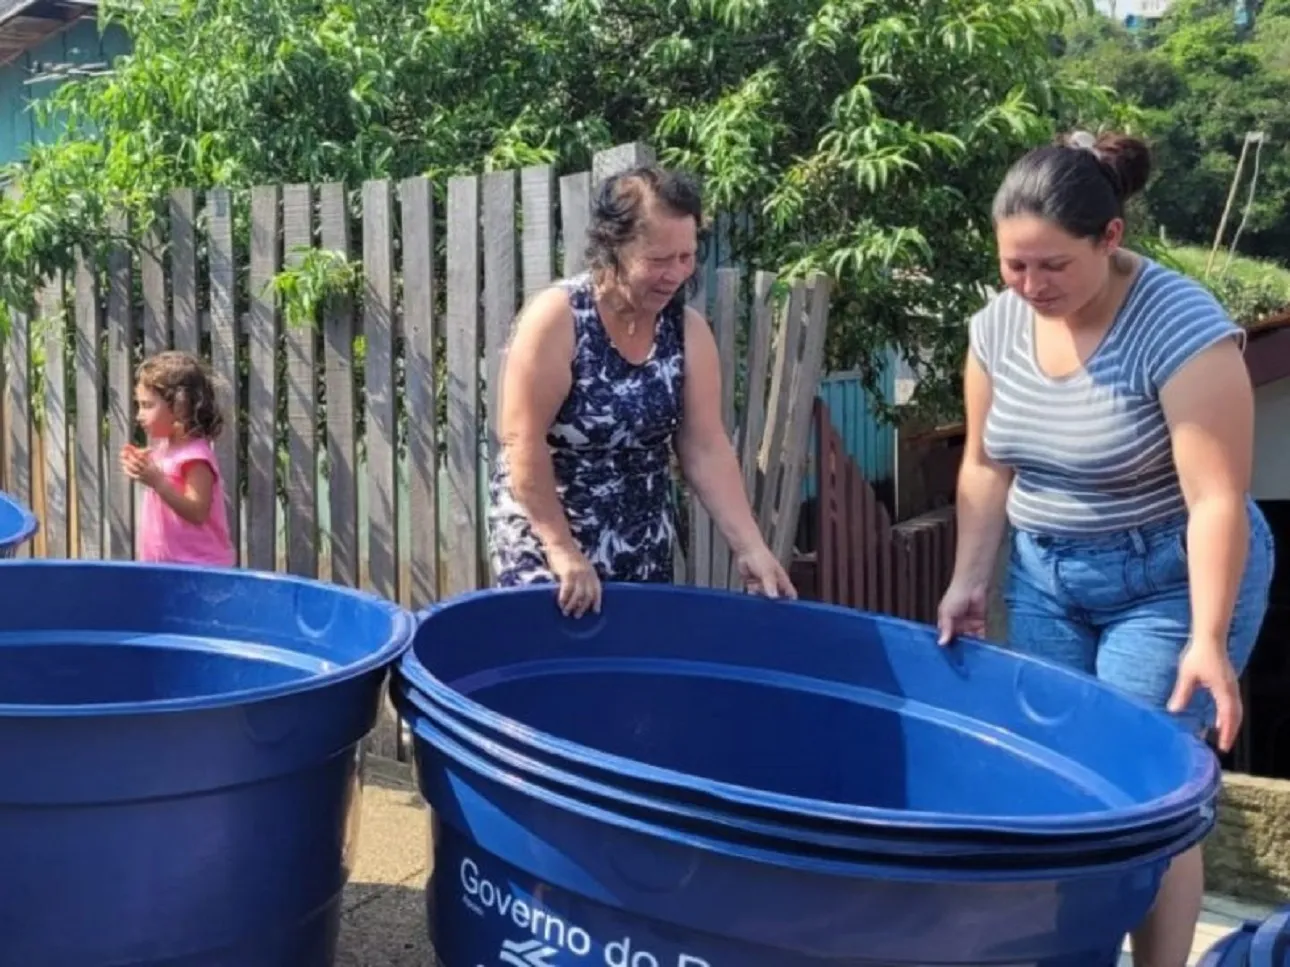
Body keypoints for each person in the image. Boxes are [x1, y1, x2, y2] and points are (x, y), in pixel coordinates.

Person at [937, 130, 1274, 967]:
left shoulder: (1180, 326)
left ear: (1110, 237)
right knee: (1062, 782)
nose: (1030, 285)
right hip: (1048, 572)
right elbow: (985, 462)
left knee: (1144, 786)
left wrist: (1207, 632)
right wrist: (967, 580)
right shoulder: (996, 327)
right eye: (1014, 265)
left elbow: (1216, 497)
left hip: (1169, 576)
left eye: (1052, 265)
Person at [488, 164, 794, 617]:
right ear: (613, 247)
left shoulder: (687, 331)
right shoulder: (558, 319)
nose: (675, 274)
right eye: (657, 260)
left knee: (634, 678)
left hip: (640, 538)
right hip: (547, 538)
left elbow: (705, 445)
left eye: (686, 257)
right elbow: (520, 441)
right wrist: (561, 549)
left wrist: (749, 546)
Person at [120, 350, 236, 568]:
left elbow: (198, 511)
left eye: (147, 405)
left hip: (199, 568)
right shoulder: (164, 449)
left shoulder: (195, 458)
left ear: (180, 407)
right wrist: (139, 464)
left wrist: (158, 482)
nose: (139, 415)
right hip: (165, 566)